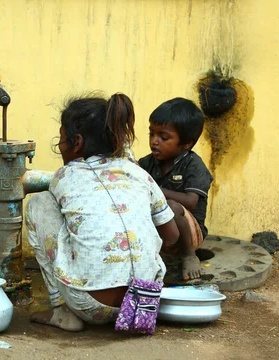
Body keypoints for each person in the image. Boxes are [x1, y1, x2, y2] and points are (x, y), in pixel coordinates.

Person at [25, 93, 179, 332]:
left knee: (40, 203)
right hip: (144, 302)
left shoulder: (65, 176)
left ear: (76, 143)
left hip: (88, 305)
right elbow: (172, 235)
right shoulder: (140, 174)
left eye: (62, 139)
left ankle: (62, 309)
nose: (60, 145)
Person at [138, 98, 213, 281]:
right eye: (151, 134)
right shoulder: (147, 163)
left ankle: (188, 256)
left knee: (170, 207)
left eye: (163, 137)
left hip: (188, 233)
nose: (154, 142)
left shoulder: (193, 165)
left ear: (186, 143)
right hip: (159, 234)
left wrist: (152, 187)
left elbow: (190, 201)